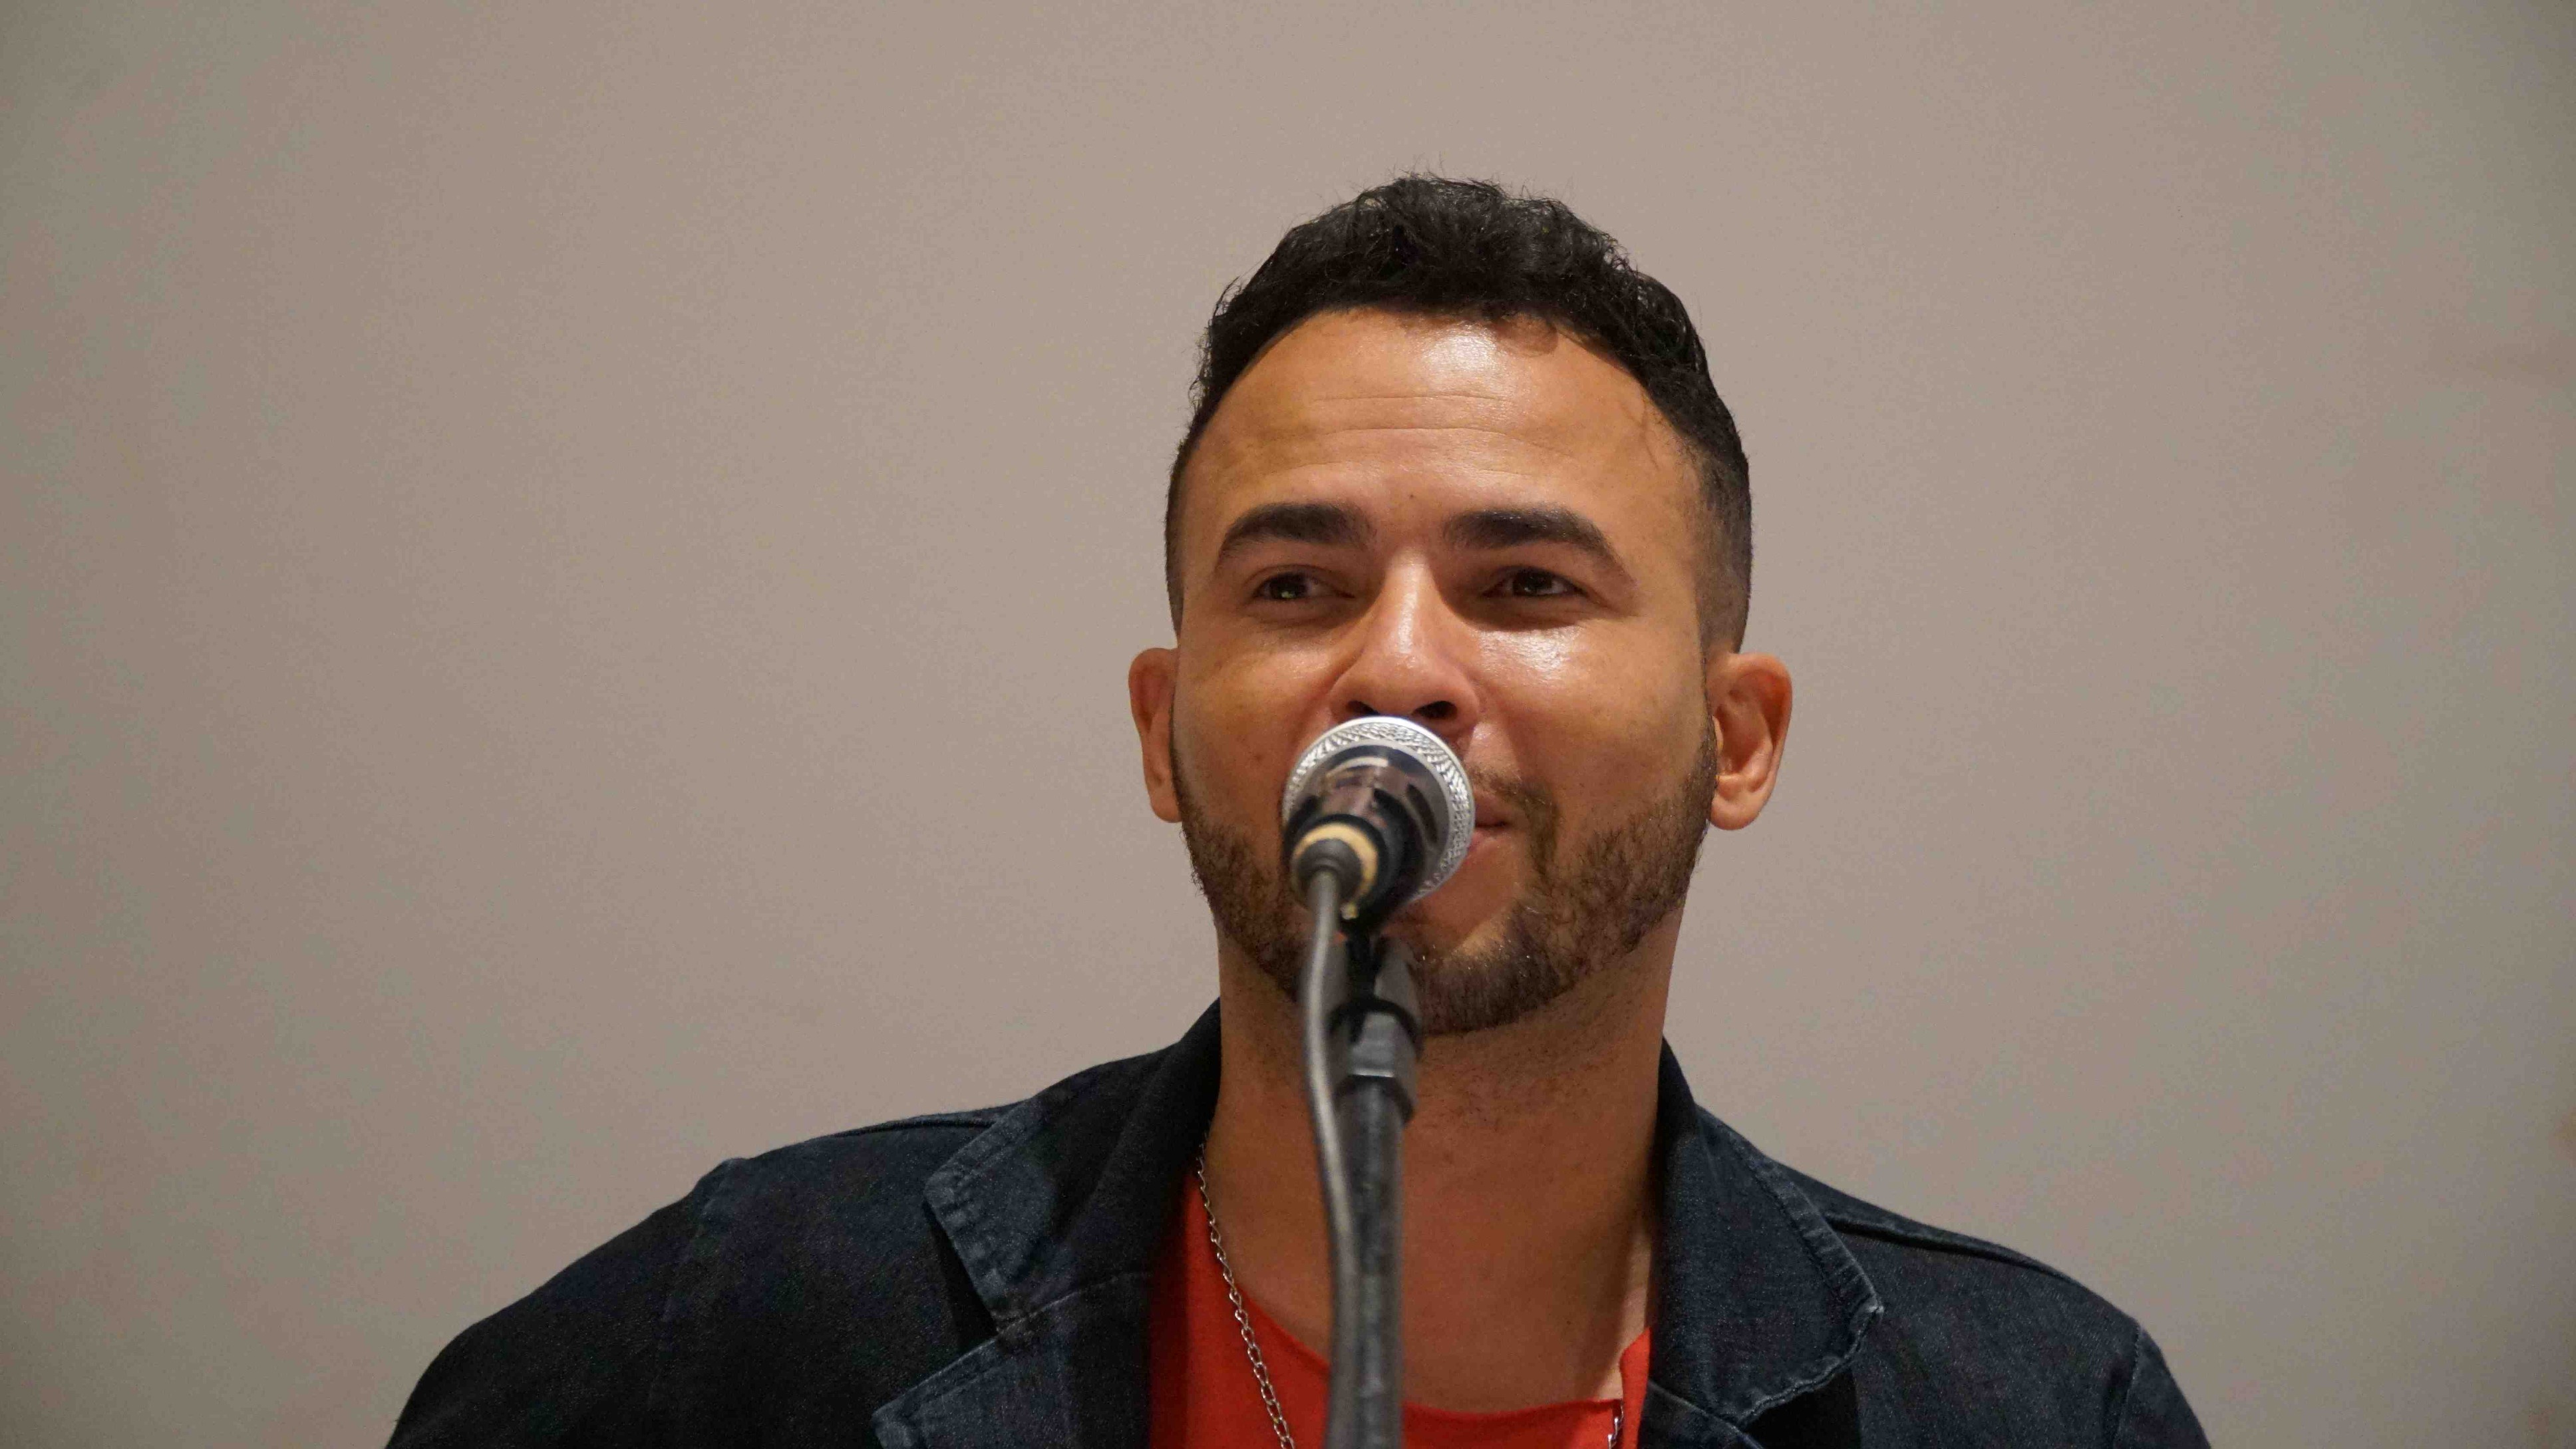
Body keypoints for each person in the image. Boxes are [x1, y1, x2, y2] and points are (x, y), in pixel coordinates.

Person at [388, 176, 2207, 1448]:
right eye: (1295, 587)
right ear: (1165, 733)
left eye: (1525, 586)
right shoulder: (745, 1330)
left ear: (1737, 739)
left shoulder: (2042, 1408)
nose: (1397, 665)